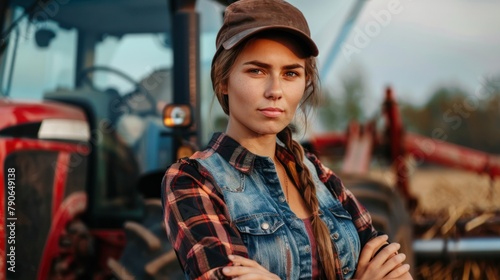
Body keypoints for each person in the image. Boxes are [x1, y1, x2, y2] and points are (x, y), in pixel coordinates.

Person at [162, 0, 412, 279]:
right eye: (256, 71)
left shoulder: (320, 175)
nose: (275, 90)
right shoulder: (193, 181)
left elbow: (395, 272)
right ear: (223, 80)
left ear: (305, 83)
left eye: (290, 73)